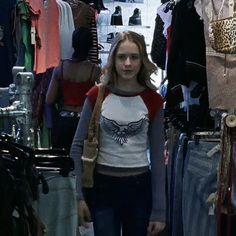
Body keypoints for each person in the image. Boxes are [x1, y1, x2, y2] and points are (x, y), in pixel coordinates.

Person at [70, 31, 166, 236]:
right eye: (122, 57)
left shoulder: (153, 100)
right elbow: (77, 146)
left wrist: (159, 211)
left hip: (140, 188)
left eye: (134, 57)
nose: (128, 63)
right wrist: (78, 195)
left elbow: (158, 158)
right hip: (102, 187)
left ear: (142, 60)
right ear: (113, 59)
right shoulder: (97, 95)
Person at [46, 27, 101, 151]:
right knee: (83, 162)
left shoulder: (61, 67)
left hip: (63, 122)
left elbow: (49, 100)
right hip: (84, 122)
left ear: (73, 43)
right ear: (91, 46)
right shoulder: (95, 70)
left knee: (63, 163)